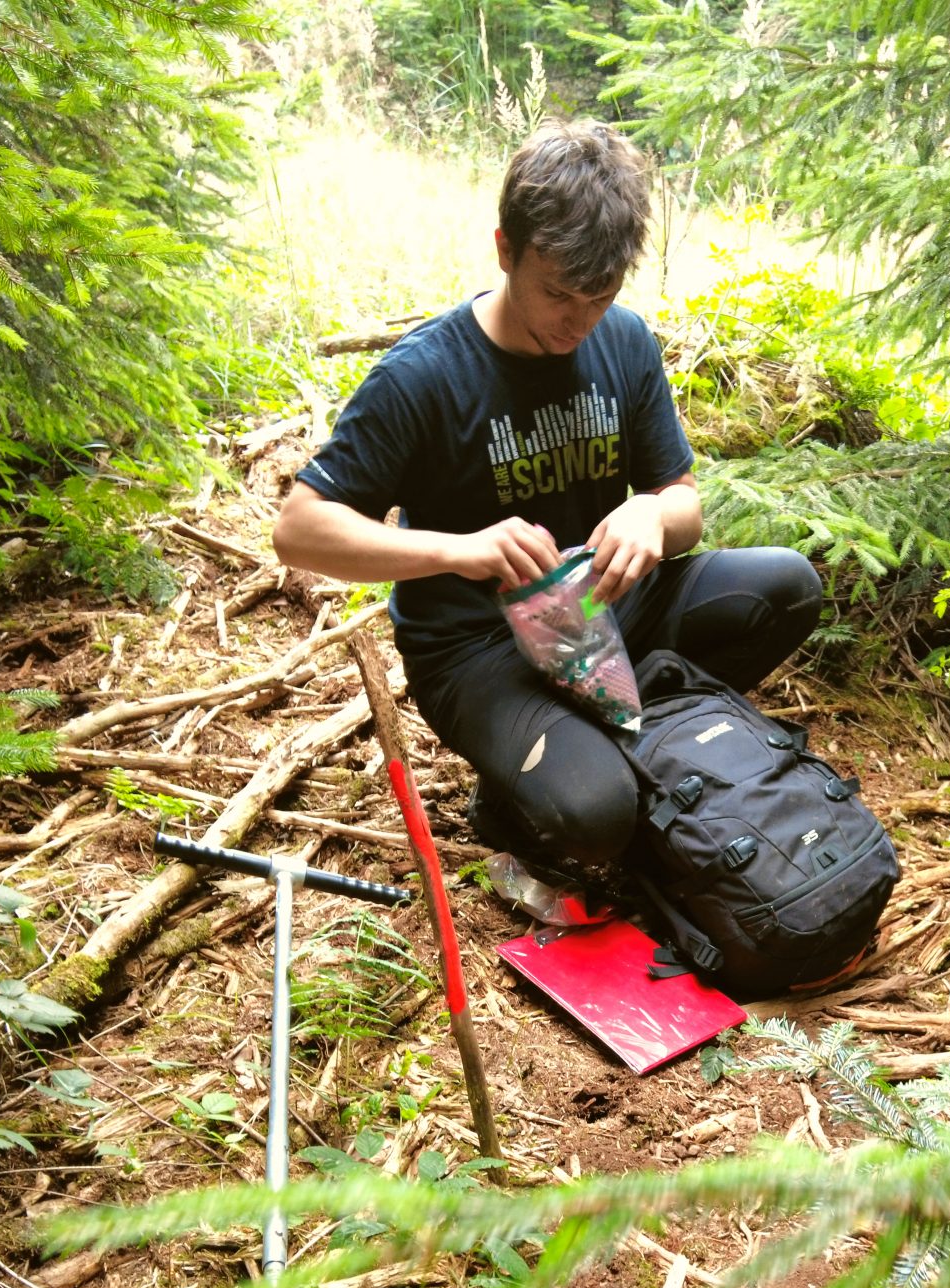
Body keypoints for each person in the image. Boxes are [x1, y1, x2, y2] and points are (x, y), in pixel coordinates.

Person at [270, 119, 823, 883]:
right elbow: (299, 530)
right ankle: (518, 797)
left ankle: (630, 727)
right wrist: (457, 551)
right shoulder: (424, 376)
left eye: (599, 296)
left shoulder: (623, 341)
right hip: (481, 650)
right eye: (557, 292)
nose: (578, 321)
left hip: (606, 609)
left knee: (787, 587)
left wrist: (650, 515)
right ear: (505, 249)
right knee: (597, 819)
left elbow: (683, 505)